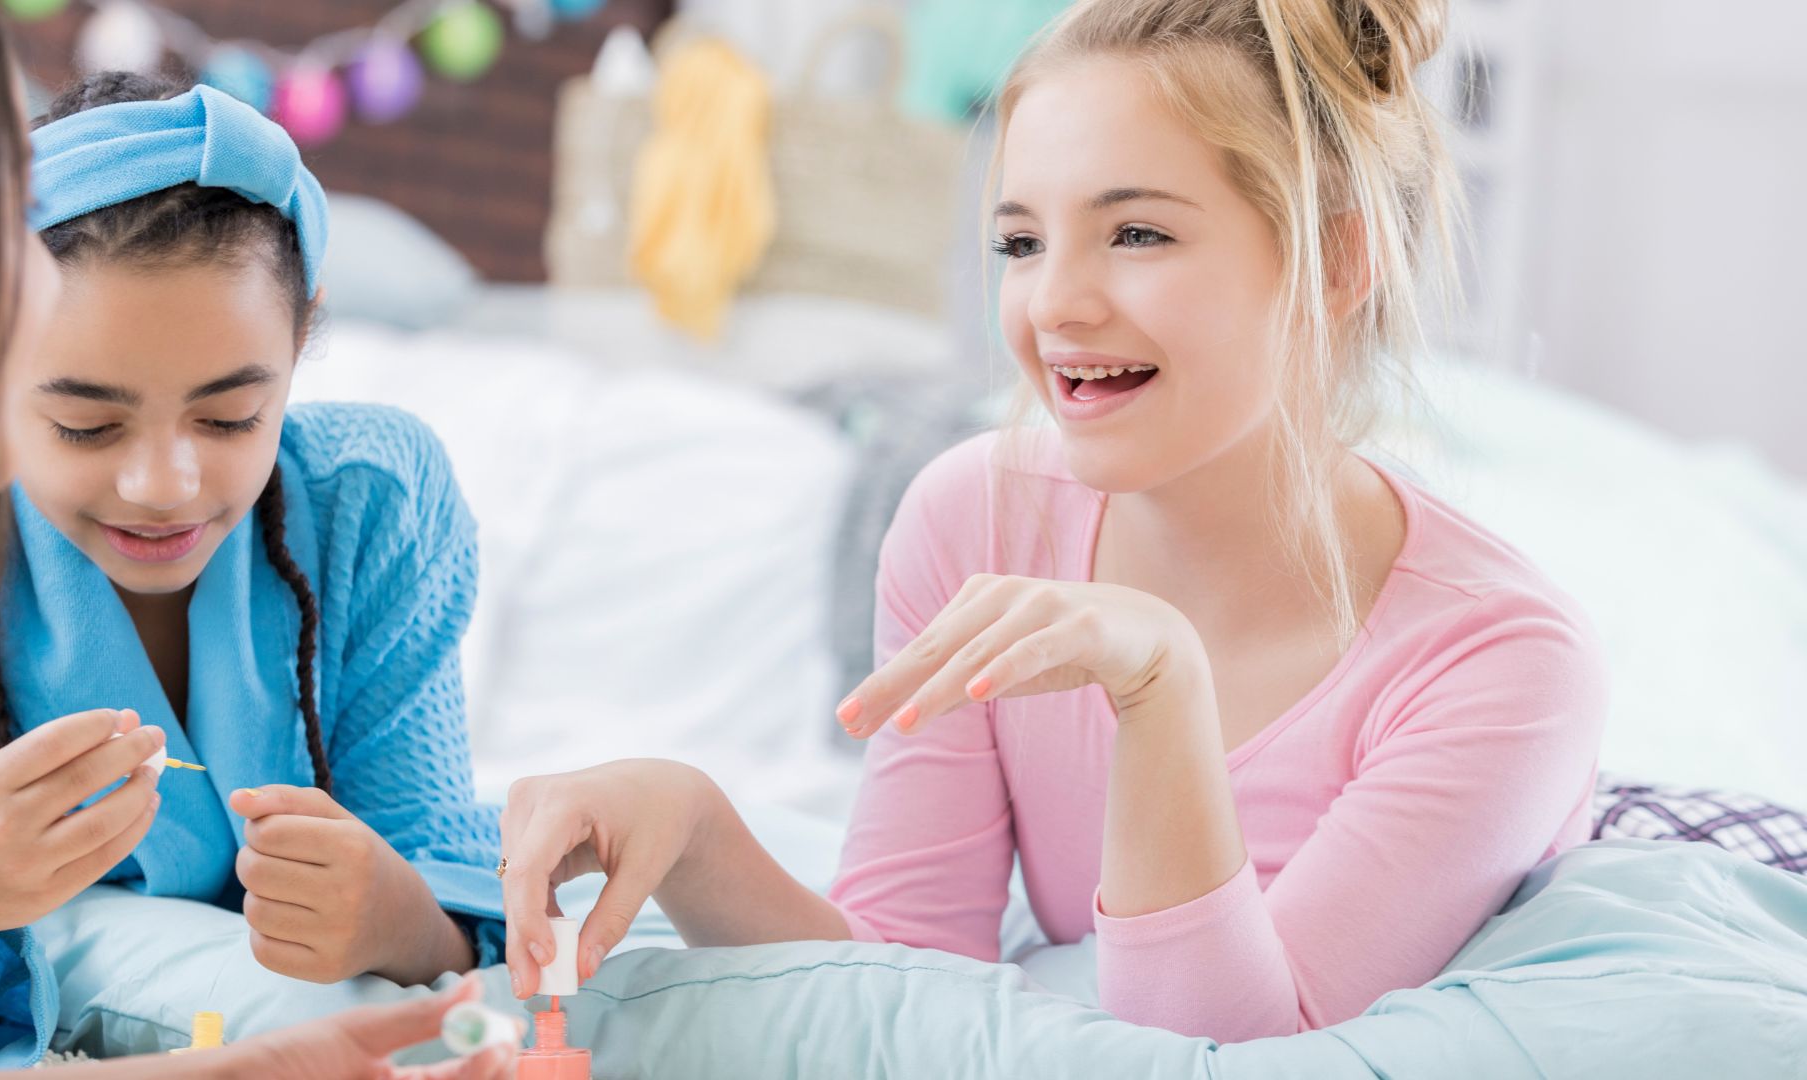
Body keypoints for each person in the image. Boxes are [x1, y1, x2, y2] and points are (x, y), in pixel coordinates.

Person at [494, 0, 1606, 1044]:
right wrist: (695, 832)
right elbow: (899, 973)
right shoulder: (975, 515)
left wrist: (1159, 687)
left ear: (1340, 262)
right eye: (1021, 244)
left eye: (1136, 235)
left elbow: (1229, 1054)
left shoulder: (1501, 665)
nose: (1053, 308)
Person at [0, 1, 508, 1075]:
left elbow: (448, 905)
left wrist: (396, 914)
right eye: (86, 423)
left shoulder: (372, 503)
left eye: (229, 419)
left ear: (305, 336)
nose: (164, 485)